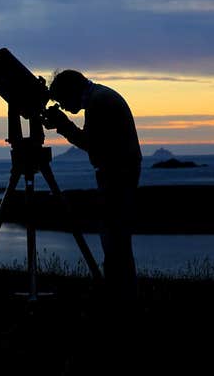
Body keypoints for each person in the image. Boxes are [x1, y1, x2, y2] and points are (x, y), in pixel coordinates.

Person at [42, 69, 142, 302]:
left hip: (117, 174)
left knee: (114, 238)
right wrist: (64, 125)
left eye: (63, 101)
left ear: (72, 91)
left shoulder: (99, 103)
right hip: (120, 171)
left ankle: (121, 297)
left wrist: (64, 125)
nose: (65, 107)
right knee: (116, 238)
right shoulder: (101, 97)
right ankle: (121, 293)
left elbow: (91, 144)